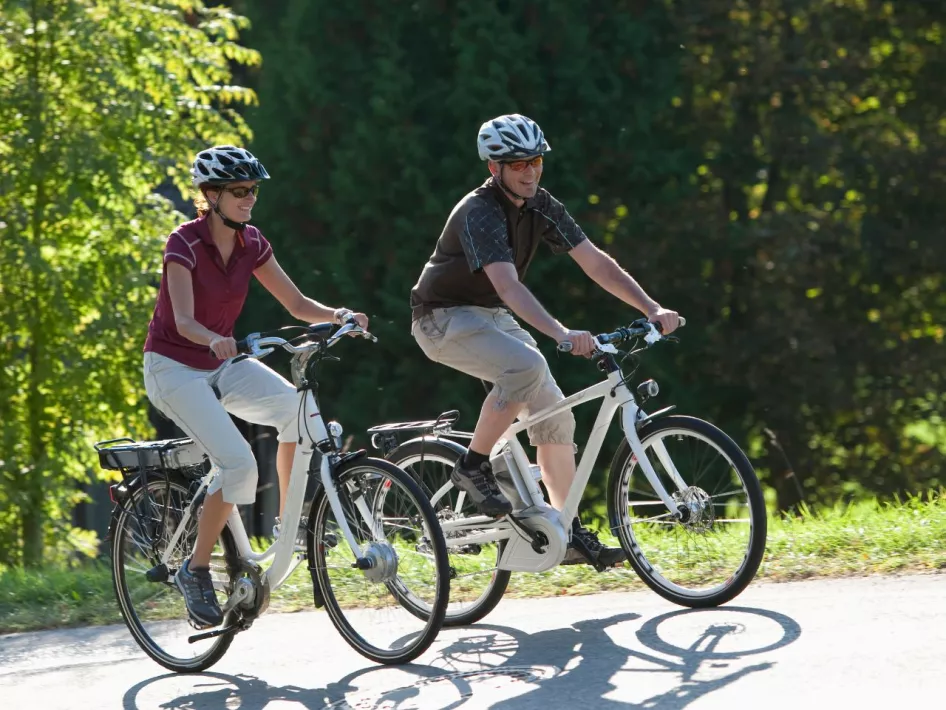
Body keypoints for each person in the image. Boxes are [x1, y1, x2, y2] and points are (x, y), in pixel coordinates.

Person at [409, 114, 681, 568]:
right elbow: (508, 286)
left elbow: (595, 262)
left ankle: (566, 528)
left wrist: (650, 307)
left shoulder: (542, 204)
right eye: (518, 165)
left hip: (490, 317)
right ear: (495, 169)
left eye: (535, 160)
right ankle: (473, 466)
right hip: (441, 318)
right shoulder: (480, 211)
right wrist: (560, 333)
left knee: (554, 415)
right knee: (526, 367)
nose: (531, 171)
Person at [143, 145, 368, 628]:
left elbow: (296, 302)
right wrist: (214, 339)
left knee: (296, 413)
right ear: (211, 195)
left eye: (254, 191)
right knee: (239, 464)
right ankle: (196, 569)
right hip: (173, 367)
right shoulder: (182, 243)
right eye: (240, 191)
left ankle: (291, 524)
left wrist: (338, 315)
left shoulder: (252, 244)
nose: (250, 199)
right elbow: (182, 321)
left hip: (222, 362)